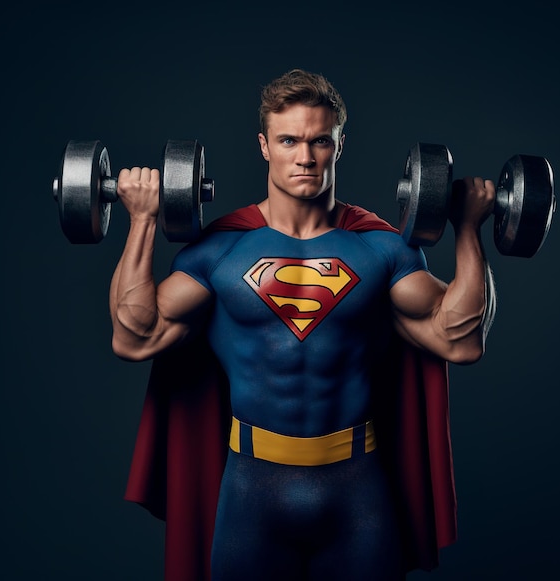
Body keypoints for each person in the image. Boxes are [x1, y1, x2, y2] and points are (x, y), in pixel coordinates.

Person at [110, 69, 496, 580]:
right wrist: (141, 220)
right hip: (252, 490)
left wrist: (468, 227)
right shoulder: (220, 251)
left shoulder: (382, 249)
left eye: (320, 141)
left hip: (356, 489)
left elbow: (460, 339)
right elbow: (135, 336)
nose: (306, 156)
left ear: (339, 145)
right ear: (264, 145)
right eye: (289, 140)